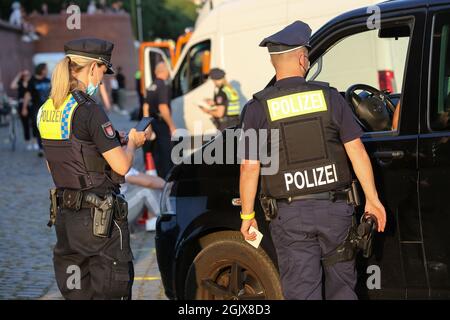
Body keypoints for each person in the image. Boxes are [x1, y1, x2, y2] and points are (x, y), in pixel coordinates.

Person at [238, 21, 387, 300]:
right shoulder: (330, 98)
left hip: (290, 216)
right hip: (336, 211)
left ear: (275, 64)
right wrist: (372, 199)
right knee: (343, 290)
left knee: (301, 292)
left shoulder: (257, 108)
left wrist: (248, 215)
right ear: (303, 59)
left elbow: (250, 167)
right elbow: (356, 151)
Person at [37, 38, 149, 300]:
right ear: (92, 68)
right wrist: (132, 142)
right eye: (102, 72)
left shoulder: (47, 109)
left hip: (66, 220)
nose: (101, 80)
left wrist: (107, 141)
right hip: (101, 221)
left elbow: (55, 164)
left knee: (78, 293)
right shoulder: (89, 110)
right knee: (111, 291)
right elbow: (121, 165)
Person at [142, 62, 176, 178]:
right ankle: (168, 180)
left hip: (153, 122)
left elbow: (145, 107)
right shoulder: (163, 86)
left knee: (157, 153)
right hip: (162, 124)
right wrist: (171, 125)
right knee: (167, 154)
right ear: (165, 71)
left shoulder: (151, 86)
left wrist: (148, 124)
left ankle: (160, 178)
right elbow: (163, 107)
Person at [22, 63, 50, 156]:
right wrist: (24, 108)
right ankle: (41, 148)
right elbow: (27, 95)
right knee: (38, 127)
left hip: (49, 108)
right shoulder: (32, 81)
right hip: (36, 108)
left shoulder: (48, 80)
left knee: (48, 127)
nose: (47, 71)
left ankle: (50, 146)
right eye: (46, 69)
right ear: (41, 70)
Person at [10, 70, 33, 150]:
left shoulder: (31, 83)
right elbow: (12, 86)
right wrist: (18, 75)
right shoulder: (19, 83)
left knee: (33, 124)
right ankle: (28, 142)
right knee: (25, 124)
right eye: (25, 75)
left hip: (31, 105)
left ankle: (34, 141)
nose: (27, 76)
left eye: (28, 74)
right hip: (21, 105)